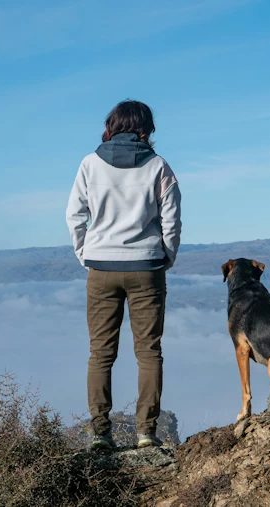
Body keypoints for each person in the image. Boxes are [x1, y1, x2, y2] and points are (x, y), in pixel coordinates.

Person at [66, 100, 182, 450]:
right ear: (146, 129)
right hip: (147, 267)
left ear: (112, 125)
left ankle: (100, 433)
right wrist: (166, 256)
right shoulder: (158, 166)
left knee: (100, 353)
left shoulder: (90, 164)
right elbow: (171, 220)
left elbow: (75, 215)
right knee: (149, 351)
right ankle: (146, 432)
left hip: (101, 267)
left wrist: (85, 253)